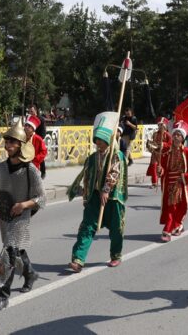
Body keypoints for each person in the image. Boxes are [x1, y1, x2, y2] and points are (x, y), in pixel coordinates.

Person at [0, 119, 46, 312]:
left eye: (12, 142)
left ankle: (2, 297)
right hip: (4, 216)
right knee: (16, 250)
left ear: (20, 145)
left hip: (21, 217)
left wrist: (23, 205)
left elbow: (42, 198)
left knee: (8, 255)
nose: (8, 145)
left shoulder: (30, 170)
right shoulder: (0, 168)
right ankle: (30, 274)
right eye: (7, 142)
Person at [68, 112, 128, 272]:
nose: (99, 143)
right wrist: (84, 193)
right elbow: (87, 176)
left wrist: (107, 189)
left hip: (113, 198)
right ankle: (78, 259)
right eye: (97, 140)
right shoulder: (93, 158)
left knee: (116, 229)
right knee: (86, 227)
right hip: (95, 197)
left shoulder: (117, 156)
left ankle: (116, 255)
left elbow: (115, 173)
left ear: (109, 140)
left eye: (102, 140)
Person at [158, 121, 188, 242]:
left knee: (173, 207)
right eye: (174, 134)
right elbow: (164, 168)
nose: (176, 137)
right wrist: (160, 170)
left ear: (182, 138)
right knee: (171, 207)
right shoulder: (167, 152)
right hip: (168, 183)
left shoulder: (187, 152)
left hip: (180, 184)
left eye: (178, 135)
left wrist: (185, 177)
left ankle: (167, 230)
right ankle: (177, 226)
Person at [146, 117, 172, 188]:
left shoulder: (168, 135)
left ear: (165, 126)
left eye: (162, 125)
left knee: (164, 168)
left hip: (164, 154)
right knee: (154, 167)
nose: (160, 127)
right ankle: (154, 183)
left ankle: (166, 181)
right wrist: (150, 146)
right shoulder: (155, 134)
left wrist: (163, 145)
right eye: (159, 125)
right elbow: (153, 143)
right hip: (155, 153)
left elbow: (170, 145)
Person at [28, 104, 48, 178]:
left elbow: (43, 132)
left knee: (40, 157)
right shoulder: (29, 118)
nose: (31, 113)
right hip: (30, 140)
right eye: (30, 111)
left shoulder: (41, 119)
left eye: (32, 111)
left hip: (38, 140)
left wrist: (39, 139)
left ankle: (43, 172)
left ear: (35, 110)